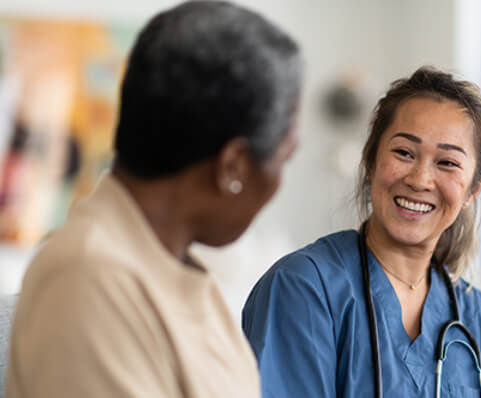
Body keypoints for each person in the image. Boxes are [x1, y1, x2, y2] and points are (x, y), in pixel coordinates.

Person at [5, 1, 301, 397]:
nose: (280, 182)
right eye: (284, 157)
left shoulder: (176, 271)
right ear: (234, 165)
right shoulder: (90, 280)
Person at [243, 67, 481, 397]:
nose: (420, 179)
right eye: (404, 153)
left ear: (474, 190)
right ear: (371, 161)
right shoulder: (304, 288)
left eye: (447, 162)